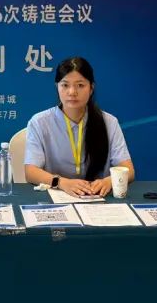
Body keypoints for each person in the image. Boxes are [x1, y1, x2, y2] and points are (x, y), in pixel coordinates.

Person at [24, 56, 134, 197]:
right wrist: (62, 182)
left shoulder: (109, 122)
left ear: (91, 88)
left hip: (97, 197)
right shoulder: (39, 122)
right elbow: (31, 172)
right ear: (57, 87)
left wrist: (109, 181)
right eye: (65, 85)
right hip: (55, 197)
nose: (72, 92)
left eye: (80, 85)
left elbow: (128, 170)